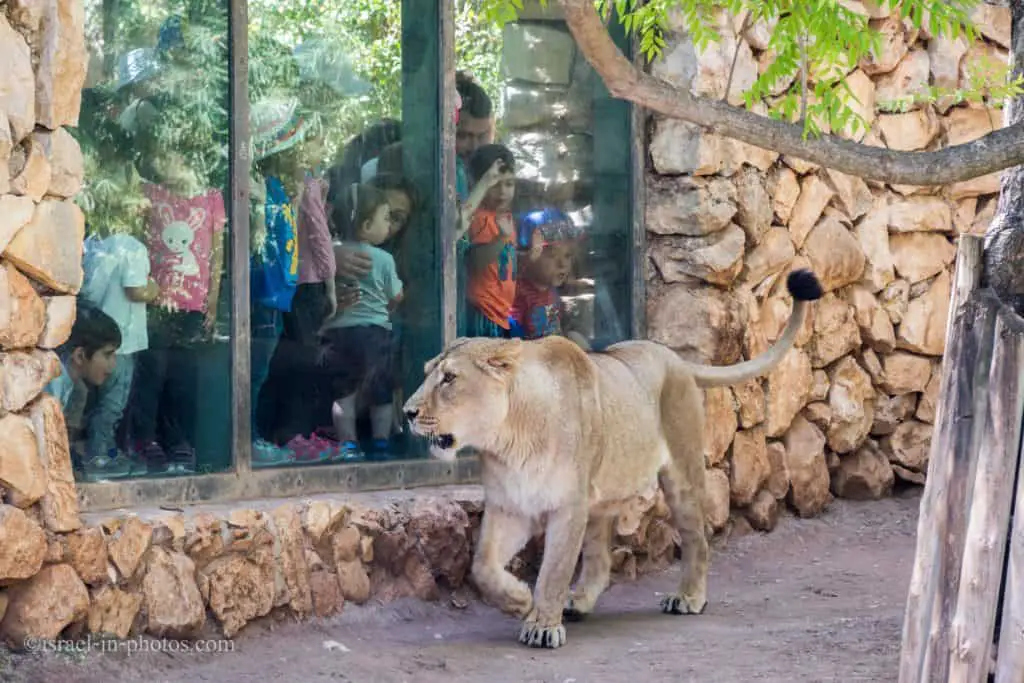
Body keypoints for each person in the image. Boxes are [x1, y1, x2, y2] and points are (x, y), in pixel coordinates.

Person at [320, 184, 403, 462]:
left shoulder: (332, 254)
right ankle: (381, 443)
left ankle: (348, 445)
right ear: (367, 225)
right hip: (375, 334)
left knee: (344, 394)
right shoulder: (384, 259)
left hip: (338, 334)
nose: (389, 224)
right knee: (381, 391)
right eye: (385, 218)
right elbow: (396, 296)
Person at [79, 229, 160, 475]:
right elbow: (134, 289)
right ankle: (100, 454)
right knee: (114, 402)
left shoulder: (96, 244)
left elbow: (89, 291)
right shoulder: (132, 247)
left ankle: (96, 450)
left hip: (97, 333)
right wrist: (155, 289)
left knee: (95, 400)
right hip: (122, 341)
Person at [45, 304, 126, 481]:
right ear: (80, 356)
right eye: (107, 355)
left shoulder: (72, 385)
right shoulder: (54, 382)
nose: (113, 365)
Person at [462, 144, 520, 338]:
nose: (502, 192)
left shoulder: (505, 217)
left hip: (501, 312)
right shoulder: (479, 218)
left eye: (509, 184)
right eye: (495, 185)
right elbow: (475, 261)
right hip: (483, 310)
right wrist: (501, 238)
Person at [509, 208, 584, 341]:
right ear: (531, 256)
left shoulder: (552, 292)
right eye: (552, 256)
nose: (562, 264)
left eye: (567, 256)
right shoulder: (519, 294)